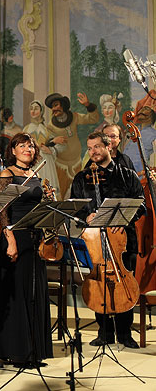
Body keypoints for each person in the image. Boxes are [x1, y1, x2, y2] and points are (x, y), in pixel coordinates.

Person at [71, 132, 145, 349]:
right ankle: (104, 332)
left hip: (123, 240)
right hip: (95, 240)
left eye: (97, 147)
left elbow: (141, 205)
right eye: (90, 148)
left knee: (125, 282)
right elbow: (75, 209)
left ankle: (124, 333)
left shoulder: (127, 175)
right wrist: (86, 216)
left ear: (109, 146)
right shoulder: (81, 178)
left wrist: (122, 219)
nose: (93, 152)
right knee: (98, 280)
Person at [0, 133, 53, 368]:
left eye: (30, 145)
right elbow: (2, 209)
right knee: (16, 293)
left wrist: (48, 199)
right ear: (13, 150)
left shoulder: (34, 174)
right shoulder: (7, 174)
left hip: (35, 237)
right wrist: (10, 239)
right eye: (21, 145)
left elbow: (38, 206)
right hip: (16, 235)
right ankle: (17, 352)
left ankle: (34, 350)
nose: (27, 148)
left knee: (34, 292)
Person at [45, 92, 99, 199]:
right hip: (61, 166)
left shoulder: (74, 117)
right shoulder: (51, 126)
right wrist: (54, 140)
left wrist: (87, 105)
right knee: (61, 195)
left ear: (63, 105)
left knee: (81, 193)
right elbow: (45, 144)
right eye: (52, 107)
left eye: (56, 105)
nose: (54, 109)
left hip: (77, 163)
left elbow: (93, 119)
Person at [23, 100, 61, 197]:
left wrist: (50, 150)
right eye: (31, 109)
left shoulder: (46, 129)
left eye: (36, 108)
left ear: (41, 111)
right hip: (32, 160)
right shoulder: (26, 129)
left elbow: (58, 146)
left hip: (45, 160)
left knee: (47, 186)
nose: (33, 111)